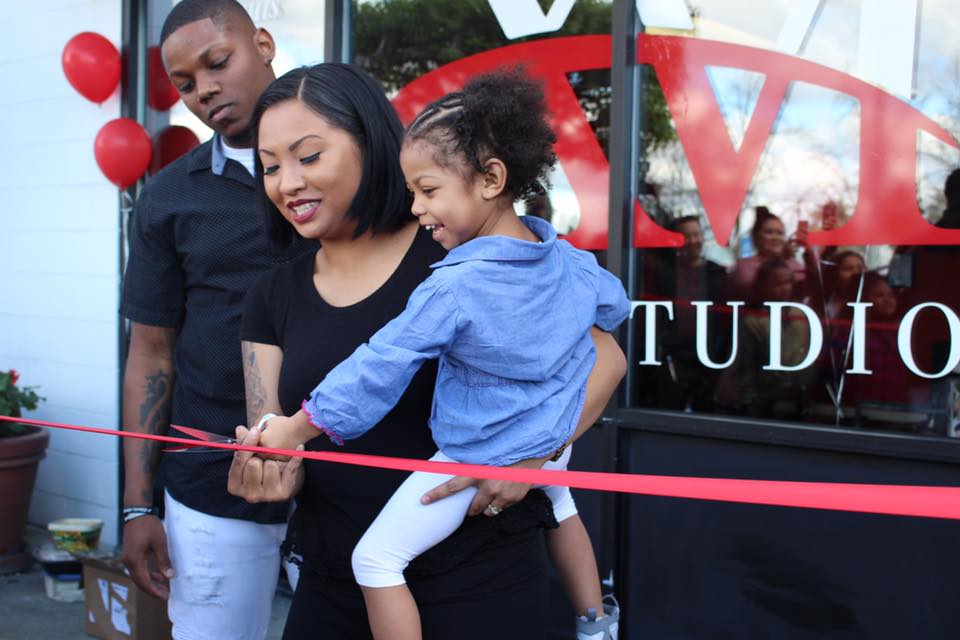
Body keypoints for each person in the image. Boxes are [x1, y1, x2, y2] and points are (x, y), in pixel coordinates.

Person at [229, 63, 627, 640]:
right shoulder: (272, 294)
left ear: (373, 146)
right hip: (334, 587)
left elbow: (605, 360)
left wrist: (531, 458)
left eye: (308, 156)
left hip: (485, 585)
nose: (286, 182)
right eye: (268, 166)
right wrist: (268, 466)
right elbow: (269, 431)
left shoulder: (464, 254)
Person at [119, 2, 308, 638]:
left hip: (349, 473)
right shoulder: (169, 199)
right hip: (211, 482)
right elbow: (150, 351)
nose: (204, 89)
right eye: (183, 83)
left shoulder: (355, 170)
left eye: (218, 62)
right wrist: (137, 505)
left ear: (263, 44)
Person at [729, 206, 812, 300]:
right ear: (756, 236)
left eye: (780, 233)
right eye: (769, 232)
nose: (775, 237)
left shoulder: (792, 263)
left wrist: (809, 252)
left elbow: (811, 287)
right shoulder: (744, 265)